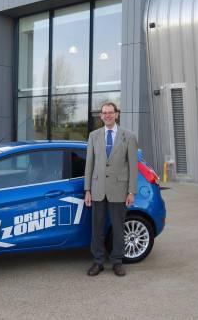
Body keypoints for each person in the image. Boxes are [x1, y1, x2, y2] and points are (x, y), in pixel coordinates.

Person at [84, 102, 137, 277]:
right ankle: (98, 262)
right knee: (97, 229)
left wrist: (131, 191)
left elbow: (133, 167)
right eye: (104, 113)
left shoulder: (128, 136)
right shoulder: (93, 136)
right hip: (98, 188)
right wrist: (87, 190)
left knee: (118, 228)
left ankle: (117, 262)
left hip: (119, 190)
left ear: (116, 114)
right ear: (101, 116)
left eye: (110, 112)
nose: (107, 115)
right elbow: (89, 164)